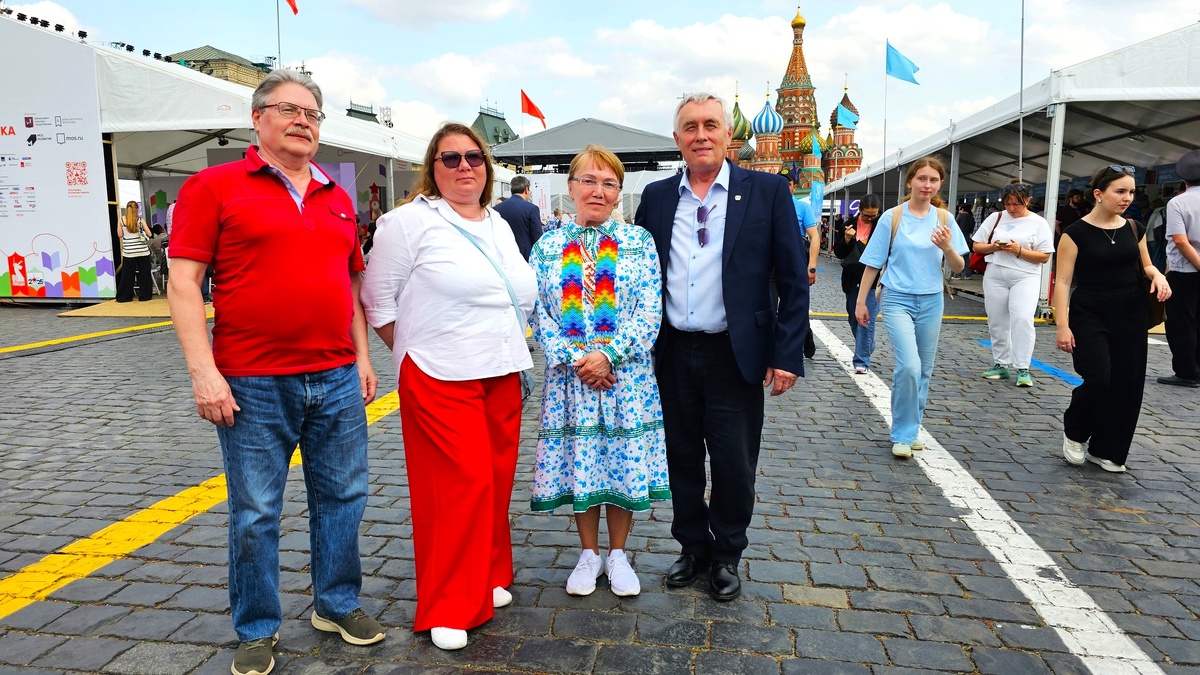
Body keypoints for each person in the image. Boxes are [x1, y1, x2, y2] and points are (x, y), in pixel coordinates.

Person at [168, 69, 384, 675]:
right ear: (257, 118)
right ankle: (257, 627)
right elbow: (183, 282)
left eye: (313, 113)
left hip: (336, 375)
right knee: (257, 509)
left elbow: (351, 282)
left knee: (343, 496)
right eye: (289, 109)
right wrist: (203, 373)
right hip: (252, 381)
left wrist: (363, 358)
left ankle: (336, 604)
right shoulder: (214, 187)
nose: (303, 121)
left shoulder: (336, 196)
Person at [360, 122, 536, 651]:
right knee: (458, 487)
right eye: (451, 158)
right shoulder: (407, 222)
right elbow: (378, 300)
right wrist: (413, 350)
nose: (465, 167)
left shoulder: (499, 223)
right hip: (440, 372)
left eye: (474, 158)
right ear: (432, 169)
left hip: (502, 369)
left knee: (496, 479)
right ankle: (448, 603)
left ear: (489, 167)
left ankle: (486, 575)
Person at [634, 92, 808, 602]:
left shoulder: (768, 191)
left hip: (735, 353)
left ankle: (728, 552)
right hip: (673, 352)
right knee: (681, 458)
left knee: (734, 463)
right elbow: (640, 278)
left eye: (711, 124)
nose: (701, 134)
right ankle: (692, 547)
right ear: (677, 139)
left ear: (729, 135)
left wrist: (786, 353)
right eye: (690, 126)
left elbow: (794, 280)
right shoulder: (658, 197)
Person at [528, 144, 669, 598]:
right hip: (572, 382)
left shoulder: (638, 241)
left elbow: (650, 308)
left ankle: (619, 554)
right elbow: (537, 313)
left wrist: (611, 355)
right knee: (581, 464)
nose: (598, 190)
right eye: (588, 180)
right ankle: (588, 553)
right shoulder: (547, 246)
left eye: (608, 183)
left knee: (621, 464)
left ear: (619, 194)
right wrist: (576, 359)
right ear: (569, 188)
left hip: (625, 379)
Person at [1054, 165, 1171, 472]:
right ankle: (1075, 432)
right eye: (1120, 191)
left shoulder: (1134, 227)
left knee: (1127, 384)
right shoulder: (1074, 233)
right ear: (1098, 194)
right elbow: (1063, 282)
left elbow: (1145, 265)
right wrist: (1062, 326)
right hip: (1090, 312)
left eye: (1131, 192)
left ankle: (1107, 450)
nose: (1127, 198)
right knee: (1099, 378)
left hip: (1130, 312)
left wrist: (1158, 276)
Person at [855, 157, 969, 458]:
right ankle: (903, 434)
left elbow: (958, 267)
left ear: (940, 184)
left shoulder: (945, 219)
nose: (927, 185)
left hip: (932, 300)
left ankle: (911, 428)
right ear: (910, 182)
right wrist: (860, 302)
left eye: (933, 180)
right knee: (909, 366)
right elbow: (872, 263)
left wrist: (946, 247)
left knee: (924, 370)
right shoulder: (892, 217)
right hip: (896, 298)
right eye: (922, 179)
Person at [972, 181, 1055, 387]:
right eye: (1007, 204)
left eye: (1016, 204)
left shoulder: (1038, 223)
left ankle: (1023, 367)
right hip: (995, 273)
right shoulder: (995, 218)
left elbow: (1044, 256)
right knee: (997, 320)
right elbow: (977, 245)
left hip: (1025, 275)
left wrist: (1018, 250)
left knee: (1022, 319)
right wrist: (994, 247)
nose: (1011, 208)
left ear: (1027, 201)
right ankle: (1001, 364)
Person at [1157, 150, 1200, 388]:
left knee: (1181, 322)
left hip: (1184, 271)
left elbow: (1181, 241)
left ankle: (1186, 371)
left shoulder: (1178, 202)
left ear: (1183, 178)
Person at [833, 195, 882, 374]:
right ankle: (867, 345)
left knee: (865, 320)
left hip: (873, 279)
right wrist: (846, 239)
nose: (870, 218)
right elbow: (839, 252)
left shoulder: (882, 226)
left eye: (874, 215)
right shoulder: (848, 225)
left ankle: (861, 360)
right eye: (867, 215)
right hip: (852, 278)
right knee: (854, 319)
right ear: (859, 210)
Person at [786, 174, 820, 358]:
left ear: (795, 187)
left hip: (797, 260)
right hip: (773, 264)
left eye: (788, 184)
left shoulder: (802, 207)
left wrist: (811, 266)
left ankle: (805, 333)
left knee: (797, 303)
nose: (785, 188)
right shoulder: (768, 205)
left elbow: (814, 236)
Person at [495, 175, 543, 260]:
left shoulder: (496, 209)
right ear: (526, 190)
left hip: (502, 257)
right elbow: (537, 238)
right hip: (525, 258)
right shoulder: (532, 209)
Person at [115, 201, 154, 302]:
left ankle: (124, 297)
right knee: (144, 274)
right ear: (137, 209)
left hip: (129, 252)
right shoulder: (140, 220)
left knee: (127, 275)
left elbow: (119, 235)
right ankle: (144, 296)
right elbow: (149, 234)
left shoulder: (121, 220)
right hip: (142, 251)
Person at [951, 204, 976, 280]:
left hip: (959, 237)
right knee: (966, 257)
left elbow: (954, 226)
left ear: (962, 209)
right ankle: (968, 274)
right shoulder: (972, 218)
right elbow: (972, 230)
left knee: (957, 255)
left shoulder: (960, 216)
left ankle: (957, 274)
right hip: (968, 237)